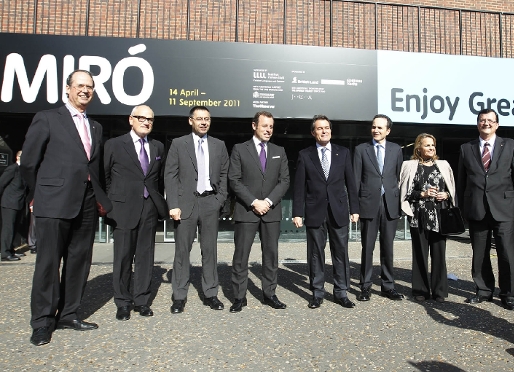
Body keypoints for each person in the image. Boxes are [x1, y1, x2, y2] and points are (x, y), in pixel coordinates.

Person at [20, 70, 112, 346]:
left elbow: (92, 166)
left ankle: (69, 313)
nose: (85, 90)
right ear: (68, 89)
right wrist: (38, 195)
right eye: (80, 85)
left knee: (79, 262)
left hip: (85, 203)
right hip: (53, 201)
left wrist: (98, 198)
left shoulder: (95, 126)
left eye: (90, 87)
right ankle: (42, 322)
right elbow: (28, 163)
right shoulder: (48, 118)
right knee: (48, 263)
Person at [104, 105, 168, 321]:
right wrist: (110, 203)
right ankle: (122, 302)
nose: (146, 122)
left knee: (145, 257)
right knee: (122, 257)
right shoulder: (114, 144)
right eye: (141, 118)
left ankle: (141, 300)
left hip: (148, 208)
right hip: (122, 209)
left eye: (150, 119)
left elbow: (157, 180)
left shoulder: (158, 147)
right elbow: (105, 177)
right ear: (131, 119)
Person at [164, 106, 229, 314]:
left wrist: (219, 200)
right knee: (182, 252)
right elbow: (170, 176)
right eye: (199, 119)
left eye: (207, 119)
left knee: (209, 251)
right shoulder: (178, 144)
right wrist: (173, 204)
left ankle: (211, 293)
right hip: (185, 205)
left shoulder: (219, 145)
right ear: (190, 121)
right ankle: (179, 296)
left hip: (210, 202)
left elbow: (224, 175)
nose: (203, 122)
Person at [293, 115, 359, 309]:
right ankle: (317, 292)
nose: (324, 131)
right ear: (313, 132)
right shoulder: (305, 155)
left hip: (338, 210)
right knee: (315, 254)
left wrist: (354, 209)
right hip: (315, 211)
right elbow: (299, 187)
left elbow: (351, 183)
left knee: (341, 252)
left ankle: (341, 292)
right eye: (320, 128)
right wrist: (298, 212)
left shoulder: (343, 153)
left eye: (327, 128)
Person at [228, 111, 290, 312]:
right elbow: (234, 180)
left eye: (271, 126)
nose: (269, 130)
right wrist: (254, 202)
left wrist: (269, 201)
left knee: (271, 255)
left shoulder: (279, 150)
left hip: (271, 212)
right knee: (241, 255)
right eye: (265, 126)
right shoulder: (239, 149)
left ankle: (269, 294)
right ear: (254, 126)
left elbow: (284, 181)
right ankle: (239, 297)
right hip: (247, 210)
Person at [457, 108, 514, 310]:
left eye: (490, 120)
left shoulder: (510, 145)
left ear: (497, 124)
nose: (486, 123)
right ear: (477, 123)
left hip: (505, 208)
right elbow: (461, 181)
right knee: (479, 253)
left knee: (506, 253)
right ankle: (483, 291)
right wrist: (462, 209)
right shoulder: (466, 148)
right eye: (482, 120)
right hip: (477, 208)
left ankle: (508, 293)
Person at [353, 114, 404, 301]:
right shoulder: (361, 149)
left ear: (388, 131)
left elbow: (399, 178)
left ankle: (388, 286)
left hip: (390, 204)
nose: (376, 130)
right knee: (367, 247)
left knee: (388, 247)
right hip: (368, 204)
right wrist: (355, 208)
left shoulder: (396, 149)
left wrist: (401, 204)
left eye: (380, 128)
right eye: (374, 127)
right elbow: (356, 180)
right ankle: (365, 286)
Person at [399, 133, 455, 302]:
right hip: (419, 216)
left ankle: (439, 291)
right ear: (419, 148)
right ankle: (420, 291)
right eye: (427, 145)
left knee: (439, 254)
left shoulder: (443, 165)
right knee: (420, 254)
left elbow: (451, 189)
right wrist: (422, 193)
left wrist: (445, 194)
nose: (431, 148)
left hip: (439, 215)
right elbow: (404, 192)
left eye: (433, 145)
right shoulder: (409, 166)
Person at [0, 150, 26, 261]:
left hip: (18, 203)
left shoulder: (23, 170)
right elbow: (1, 183)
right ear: (17, 157)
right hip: (9, 203)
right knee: (8, 228)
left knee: (14, 228)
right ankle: (5, 253)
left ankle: (11, 250)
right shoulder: (13, 169)